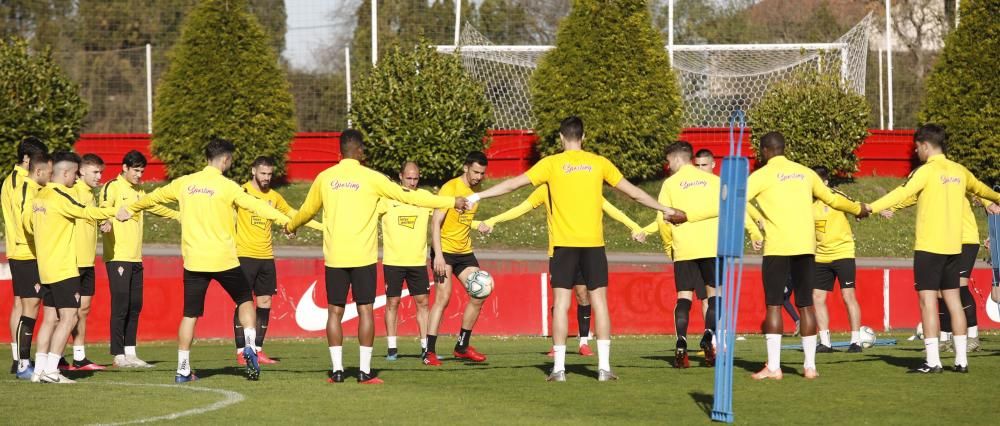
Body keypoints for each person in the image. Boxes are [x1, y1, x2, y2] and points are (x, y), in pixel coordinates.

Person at [465, 116, 685, 382]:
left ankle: (559, 369)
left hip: (563, 246)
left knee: (561, 304)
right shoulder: (599, 163)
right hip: (593, 245)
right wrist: (667, 209)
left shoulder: (551, 164)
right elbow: (635, 194)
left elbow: (512, 185)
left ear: (560, 137)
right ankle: (604, 368)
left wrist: (477, 195)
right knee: (599, 303)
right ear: (584, 136)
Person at [285, 129, 463, 384]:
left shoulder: (325, 178)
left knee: (334, 312)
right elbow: (407, 194)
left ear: (340, 151)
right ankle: (364, 372)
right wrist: (449, 201)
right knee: (365, 310)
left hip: (335, 258)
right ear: (360, 152)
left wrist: (291, 226)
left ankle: (336, 372)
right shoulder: (371, 178)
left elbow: (306, 210)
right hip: (363, 258)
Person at [122, 137, 291, 383]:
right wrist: (284, 221)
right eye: (230, 160)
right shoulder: (228, 186)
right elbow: (258, 207)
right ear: (224, 160)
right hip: (224, 260)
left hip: (194, 262)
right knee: (245, 300)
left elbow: (154, 197)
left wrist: (132, 209)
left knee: (190, 315)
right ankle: (251, 348)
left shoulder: (184, 183)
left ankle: (182, 369)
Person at [866, 124, 1000, 374]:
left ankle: (933, 361)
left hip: (930, 247)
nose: (917, 152)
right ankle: (961, 361)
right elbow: (985, 191)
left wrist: (870, 208)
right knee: (953, 300)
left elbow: (901, 193)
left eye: (917, 148)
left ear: (926, 146)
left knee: (928, 301)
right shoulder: (960, 171)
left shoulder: (925, 172)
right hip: (954, 246)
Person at [745, 132, 866, 381]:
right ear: (784, 148)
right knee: (806, 304)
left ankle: (775, 367)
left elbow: (736, 201)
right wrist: (858, 209)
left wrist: (755, 225)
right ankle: (810, 367)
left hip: (778, 248)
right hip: (806, 248)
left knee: (774, 305)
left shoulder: (761, 175)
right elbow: (832, 197)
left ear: (765, 151)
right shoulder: (805, 173)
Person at [476, 184, 646, 357]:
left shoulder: (584, 186)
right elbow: (521, 208)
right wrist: (492, 220)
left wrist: (633, 225)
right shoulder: (546, 189)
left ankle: (584, 342)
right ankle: (557, 345)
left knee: (583, 294)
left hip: (585, 250)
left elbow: (609, 207)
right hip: (559, 252)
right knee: (559, 300)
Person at [24, 152, 118, 383]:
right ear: (65, 173)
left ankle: (39, 370)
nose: (76, 178)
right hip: (64, 268)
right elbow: (86, 211)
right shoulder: (61, 196)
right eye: (75, 173)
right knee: (69, 317)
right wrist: (117, 211)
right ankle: (52, 371)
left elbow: (27, 225)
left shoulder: (38, 197)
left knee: (49, 319)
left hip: (45, 268)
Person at [641, 141, 727, 368]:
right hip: (711, 246)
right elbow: (727, 209)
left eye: (668, 161)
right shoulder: (714, 181)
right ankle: (709, 335)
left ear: (678, 159)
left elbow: (662, 218)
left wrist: (669, 245)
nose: (667, 166)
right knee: (714, 294)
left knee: (684, 297)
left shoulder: (670, 184)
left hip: (684, 248)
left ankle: (681, 342)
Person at [880, 193, 998, 353]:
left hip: (965, 240)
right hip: (944, 242)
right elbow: (913, 195)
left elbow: (978, 190)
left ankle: (973, 337)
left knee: (959, 286)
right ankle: (944, 338)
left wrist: (989, 203)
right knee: (942, 291)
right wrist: (891, 207)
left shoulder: (958, 177)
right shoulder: (933, 181)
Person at [233, 155, 321, 366]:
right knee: (244, 303)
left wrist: (318, 226)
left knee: (265, 303)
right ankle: (241, 351)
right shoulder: (240, 192)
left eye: (269, 174)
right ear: (253, 171)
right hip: (244, 255)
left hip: (266, 257)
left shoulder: (274, 196)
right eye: (263, 173)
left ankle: (258, 350)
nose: (266, 178)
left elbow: (291, 213)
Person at [100, 150, 180, 368]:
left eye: (142, 171)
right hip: (118, 256)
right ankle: (118, 355)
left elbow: (153, 206)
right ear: (124, 168)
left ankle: (130, 352)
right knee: (121, 304)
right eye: (136, 170)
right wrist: (106, 221)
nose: (139, 174)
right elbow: (103, 209)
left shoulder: (139, 191)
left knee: (135, 305)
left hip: (136, 258)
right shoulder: (112, 187)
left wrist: (179, 215)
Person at [423, 151, 493, 367]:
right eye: (475, 172)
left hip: (464, 252)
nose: (478, 177)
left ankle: (462, 346)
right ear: (465, 168)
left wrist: (477, 224)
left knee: (481, 292)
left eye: (482, 173)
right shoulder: (450, 188)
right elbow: (435, 223)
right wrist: (439, 257)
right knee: (443, 298)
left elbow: (461, 219)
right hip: (444, 252)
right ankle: (429, 352)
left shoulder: (477, 190)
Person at [378, 161, 435, 361]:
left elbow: (443, 214)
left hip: (417, 261)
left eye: (415, 178)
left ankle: (425, 347)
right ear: (400, 176)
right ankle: (392, 348)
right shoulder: (387, 199)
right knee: (392, 302)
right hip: (393, 261)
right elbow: (364, 215)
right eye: (408, 178)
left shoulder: (425, 197)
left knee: (423, 303)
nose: (412, 182)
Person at [4, 139, 49, 380]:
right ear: (28, 160)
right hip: (27, 251)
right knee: (30, 305)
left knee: (21, 304)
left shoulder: (9, 180)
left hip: (17, 250)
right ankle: (23, 361)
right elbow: (27, 218)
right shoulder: (24, 183)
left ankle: (18, 358)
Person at [809, 166, 864, 353]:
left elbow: (856, 206)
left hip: (843, 253)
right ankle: (825, 341)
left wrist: (868, 212)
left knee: (848, 296)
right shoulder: (807, 203)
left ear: (824, 183)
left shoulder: (836, 196)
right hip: (820, 257)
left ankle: (856, 340)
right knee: (817, 297)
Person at [64, 154, 108, 370]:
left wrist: (103, 221)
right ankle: (58, 356)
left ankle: (79, 357)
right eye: (95, 172)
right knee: (66, 313)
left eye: (101, 172)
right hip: (72, 261)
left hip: (88, 261)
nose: (99, 176)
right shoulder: (72, 192)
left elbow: (91, 216)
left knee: (83, 309)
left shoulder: (91, 194)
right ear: (81, 172)